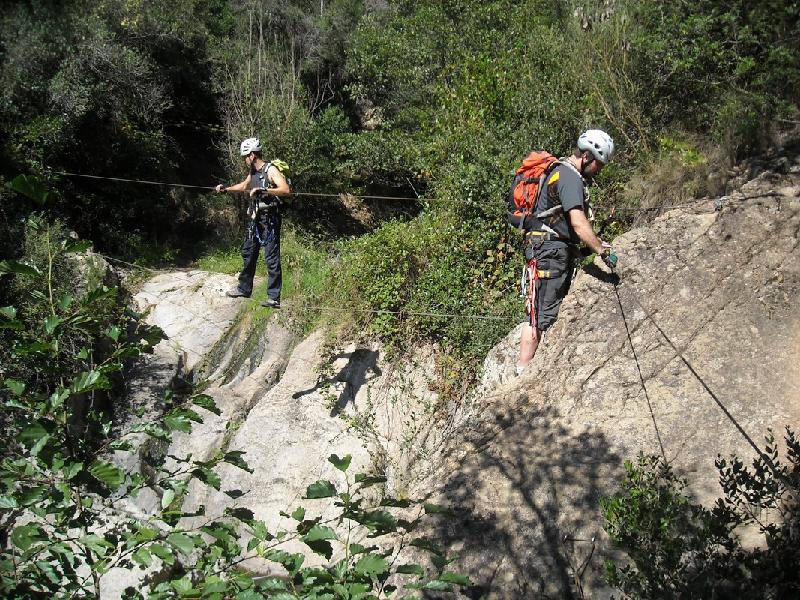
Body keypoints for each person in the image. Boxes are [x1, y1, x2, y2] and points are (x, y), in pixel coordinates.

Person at [516, 129, 617, 374]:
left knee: (539, 313)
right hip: (549, 254)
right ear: (587, 156)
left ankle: (526, 373)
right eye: (599, 164)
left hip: (545, 250)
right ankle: (523, 375)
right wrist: (600, 251)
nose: (599, 170)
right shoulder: (569, 177)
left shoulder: (559, 172)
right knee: (540, 319)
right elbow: (578, 223)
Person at [215, 137, 291, 308]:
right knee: (248, 252)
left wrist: (264, 189)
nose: (244, 160)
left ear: (252, 155)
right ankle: (244, 288)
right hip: (256, 220)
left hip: (270, 221)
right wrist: (226, 189)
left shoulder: (270, 170)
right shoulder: (253, 172)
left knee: (271, 257)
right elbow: (244, 186)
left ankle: (273, 298)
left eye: (245, 156)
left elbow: (285, 189)